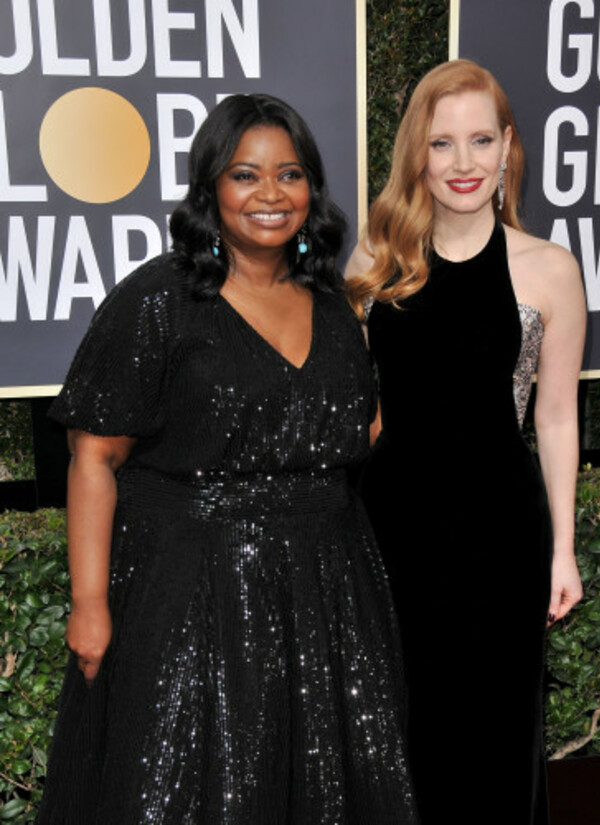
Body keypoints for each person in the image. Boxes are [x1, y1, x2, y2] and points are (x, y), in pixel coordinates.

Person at [39, 94, 419, 824]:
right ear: (211, 186)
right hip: (193, 589)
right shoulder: (160, 299)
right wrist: (90, 604)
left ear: (312, 188)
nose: (272, 194)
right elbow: (93, 456)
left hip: (327, 590)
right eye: (247, 175)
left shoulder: (335, 303)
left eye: (291, 174)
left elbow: (360, 429)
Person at [345, 60, 586, 823]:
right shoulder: (374, 264)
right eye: (443, 143)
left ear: (508, 147)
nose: (464, 162)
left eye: (481, 140)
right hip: (392, 535)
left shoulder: (550, 270)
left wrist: (563, 548)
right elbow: (355, 413)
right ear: (418, 152)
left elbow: (554, 416)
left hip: (501, 537)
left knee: (497, 735)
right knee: (401, 735)